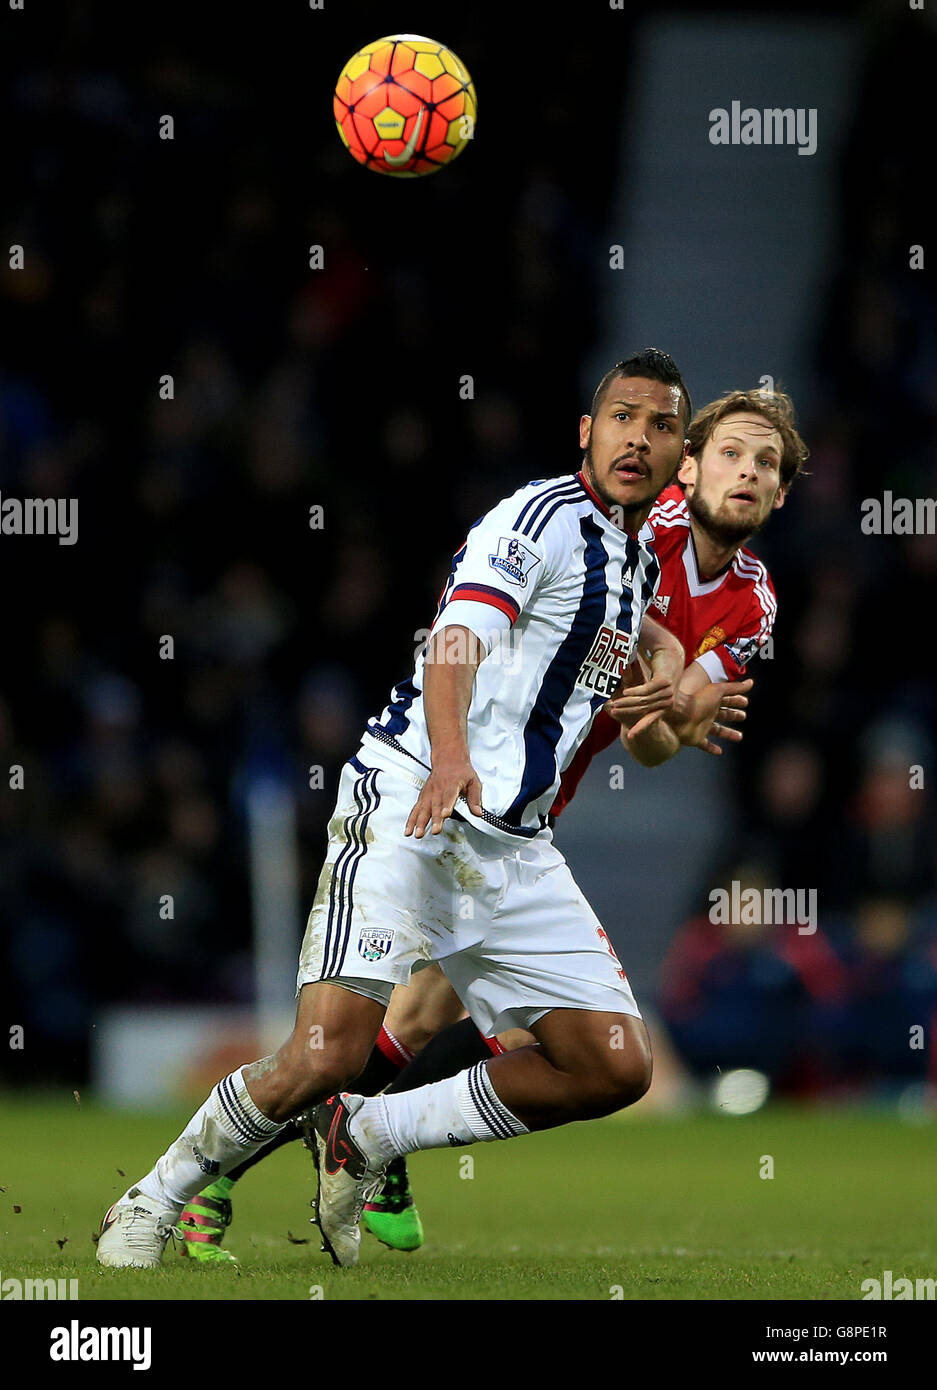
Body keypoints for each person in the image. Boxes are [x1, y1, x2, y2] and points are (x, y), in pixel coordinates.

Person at [93, 349, 736, 1270]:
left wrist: (673, 674)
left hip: (513, 850)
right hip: (413, 804)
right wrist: (449, 759)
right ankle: (151, 1201)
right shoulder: (538, 518)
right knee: (324, 1053)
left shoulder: (631, 559)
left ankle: (373, 1134)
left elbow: (635, 636)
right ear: (586, 434)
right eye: (623, 417)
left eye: (661, 424)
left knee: (613, 1064)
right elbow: (456, 637)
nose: (639, 436)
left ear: (678, 457)